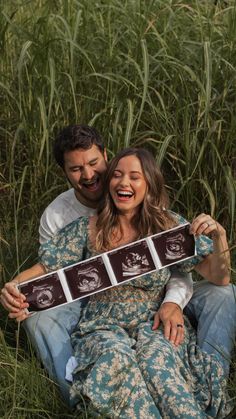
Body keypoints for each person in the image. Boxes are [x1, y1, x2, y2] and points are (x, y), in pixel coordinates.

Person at [4, 148, 233, 417]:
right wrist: (12, 286)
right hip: (101, 326)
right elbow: (44, 268)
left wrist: (219, 236)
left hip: (154, 321)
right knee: (116, 363)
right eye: (117, 175)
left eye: (134, 177)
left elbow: (220, 277)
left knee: (159, 366)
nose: (124, 183)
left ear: (148, 184)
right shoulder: (88, 228)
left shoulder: (166, 226)